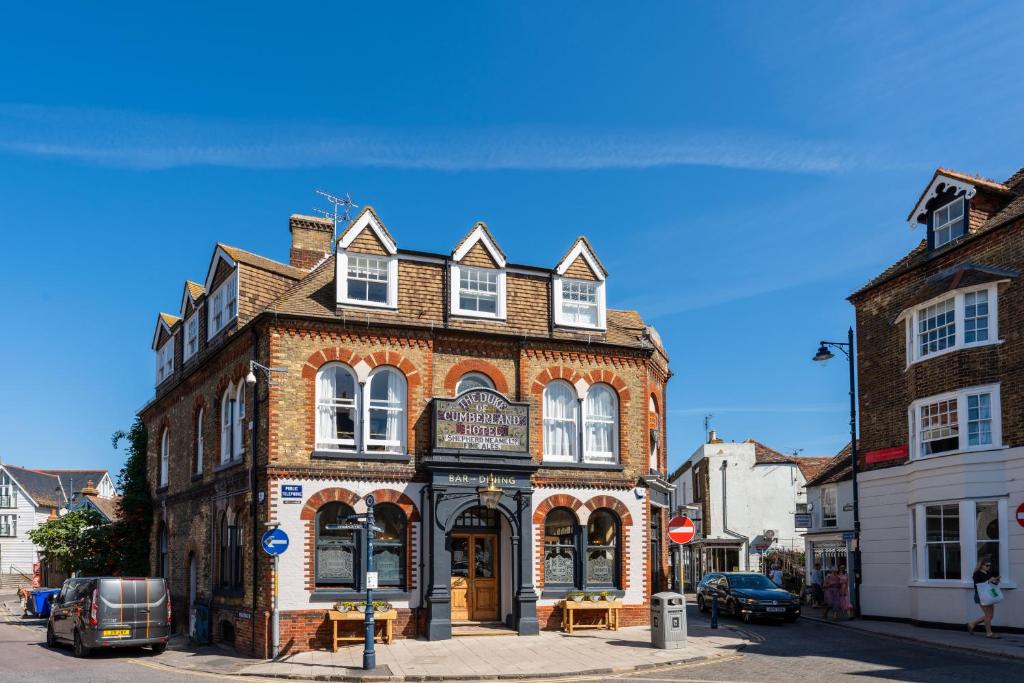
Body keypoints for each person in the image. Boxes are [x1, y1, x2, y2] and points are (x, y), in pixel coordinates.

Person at [968, 556, 1001, 638]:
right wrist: (988, 581)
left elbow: (990, 585)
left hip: (989, 595)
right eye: (987, 565)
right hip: (981, 596)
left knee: (991, 616)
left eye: (989, 565)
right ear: (981, 565)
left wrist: (996, 581)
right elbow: (978, 585)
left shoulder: (988, 573)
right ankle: (989, 633)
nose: (988, 567)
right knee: (988, 615)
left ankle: (972, 624)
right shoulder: (977, 574)